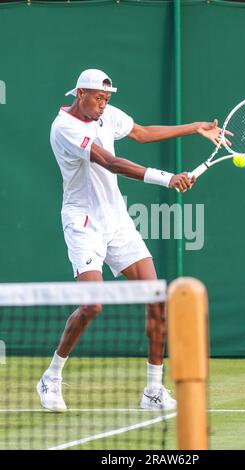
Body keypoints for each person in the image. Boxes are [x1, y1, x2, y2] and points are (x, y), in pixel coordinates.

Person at [36, 69, 223, 413]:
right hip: (83, 222)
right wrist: (167, 179)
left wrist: (195, 127)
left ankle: (153, 390)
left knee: (157, 300)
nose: (103, 104)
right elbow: (110, 162)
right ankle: (51, 376)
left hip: (118, 221)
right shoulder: (64, 128)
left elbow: (142, 133)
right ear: (79, 93)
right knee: (93, 305)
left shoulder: (108, 115)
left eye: (107, 98)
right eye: (97, 98)